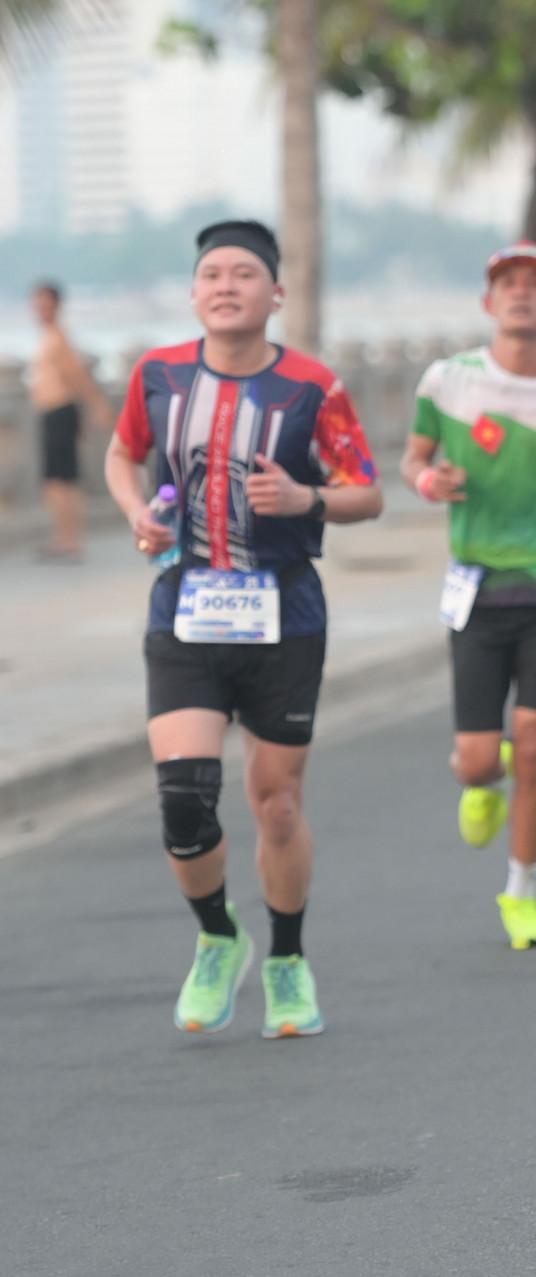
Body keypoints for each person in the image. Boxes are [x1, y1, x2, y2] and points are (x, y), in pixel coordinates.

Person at [101, 219, 383, 1037]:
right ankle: (219, 938)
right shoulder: (157, 375)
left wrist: (307, 500)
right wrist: (134, 515)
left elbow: (367, 489)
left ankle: (288, 959)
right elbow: (124, 455)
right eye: (212, 274)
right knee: (184, 803)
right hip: (186, 609)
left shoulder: (311, 388)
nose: (226, 285)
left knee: (278, 805)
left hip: (284, 613)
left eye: (244, 274)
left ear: (275, 294)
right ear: (194, 294)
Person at [402, 241, 536, 950]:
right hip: (476, 586)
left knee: (531, 745)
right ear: (488, 303)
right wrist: (427, 483)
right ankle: (477, 777)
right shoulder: (448, 381)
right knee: (479, 757)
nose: (522, 293)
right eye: (508, 284)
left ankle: (521, 892)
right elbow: (415, 459)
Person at [29, 281, 112, 561]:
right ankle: (63, 537)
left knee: (63, 478)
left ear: (56, 305)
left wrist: (97, 406)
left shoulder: (58, 336)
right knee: (55, 479)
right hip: (52, 413)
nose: (39, 309)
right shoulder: (48, 335)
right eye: (36, 303)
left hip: (61, 412)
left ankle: (71, 539)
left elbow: (76, 376)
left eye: (44, 303)